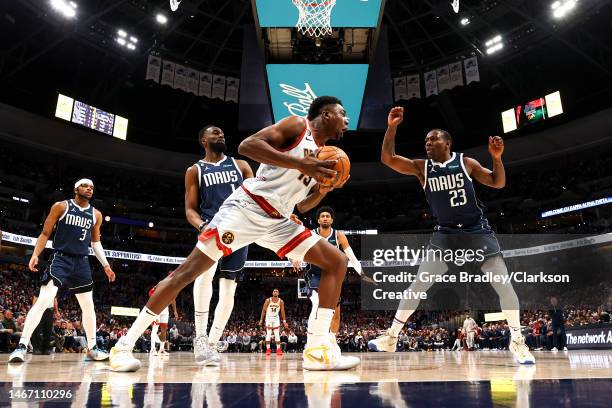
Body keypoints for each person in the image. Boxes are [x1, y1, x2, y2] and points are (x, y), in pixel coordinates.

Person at [109, 96, 358, 372]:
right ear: (325, 114)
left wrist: (323, 190)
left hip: (278, 221)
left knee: (337, 261)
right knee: (186, 274)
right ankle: (122, 347)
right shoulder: (298, 126)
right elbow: (248, 145)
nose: (346, 120)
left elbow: (302, 205)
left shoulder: (325, 156)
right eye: (342, 113)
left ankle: (318, 349)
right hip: (246, 210)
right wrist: (299, 164)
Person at [368, 107, 535, 364]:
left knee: (503, 284)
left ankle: (517, 340)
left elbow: (497, 182)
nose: (428, 143)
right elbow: (388, 158)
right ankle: (391, 336)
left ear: (447, 143)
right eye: (425, 141)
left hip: (476, 232)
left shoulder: (466, 163)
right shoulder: (421, 167)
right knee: (418, 285)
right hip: (445, 234)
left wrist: (497, 158)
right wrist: (392, 127)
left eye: (433, 139)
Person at [8, 179, 115, 363]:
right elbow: (45, 233)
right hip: (61, 258)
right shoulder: (61, 206)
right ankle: (21, 346)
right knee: (43, 300)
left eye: (91, 187)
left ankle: (93, 348)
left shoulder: (96, 214)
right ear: (75, 189)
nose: (89, 189)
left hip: (81, 262)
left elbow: (95, 242)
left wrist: (106, 265)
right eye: (85, 186)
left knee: (88, 306)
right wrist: (35, 254)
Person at [185, 125, 254, 365]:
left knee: (228, 290)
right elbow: (190, 210)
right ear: (203, 140)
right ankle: (200, 338)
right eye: (215, 133)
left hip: (240, 232)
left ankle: (213, 343)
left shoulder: (242, 166)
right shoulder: (195, 170)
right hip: (212, 230)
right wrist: (202, 227)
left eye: (222, 133)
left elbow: (257, 199)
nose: (221, 135)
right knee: (204, 280)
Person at [300, 206, 364, 353]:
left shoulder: (339, 235)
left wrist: (362, 273)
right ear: (318, 220)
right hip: (314, 275)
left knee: (335, 313)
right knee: (318, 303)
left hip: (332, 276)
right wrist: (293, 259)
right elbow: (296, 248)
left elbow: (351, 256)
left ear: (332, 220)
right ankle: (310, 344)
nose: (325, 218)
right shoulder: (310, 234)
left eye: (327, 216)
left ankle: (332, 341)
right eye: (322, 216)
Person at [148, 283, 178, 356]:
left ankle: (161, 349)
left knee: (164, 330)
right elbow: (150, 293)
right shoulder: (161, 284)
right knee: (155, 329)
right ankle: (152, 349)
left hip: (165, 311)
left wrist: (175, 311)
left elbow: (173, 300)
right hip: (157, 309)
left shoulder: (173, 289)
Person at [259, 289, 288, 355]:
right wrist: (261, 320)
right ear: (272, 293)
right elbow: (263, 310)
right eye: (274, 291)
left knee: (277, 334)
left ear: (278, 293)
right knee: (268, 334)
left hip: (276, 318)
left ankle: (278, 349)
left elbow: (282, 311)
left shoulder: (281, 301)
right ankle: (268, 349)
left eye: (277, 291)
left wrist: (284, 321)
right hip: (269, 318)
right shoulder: (268, 300)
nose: (275, 292)